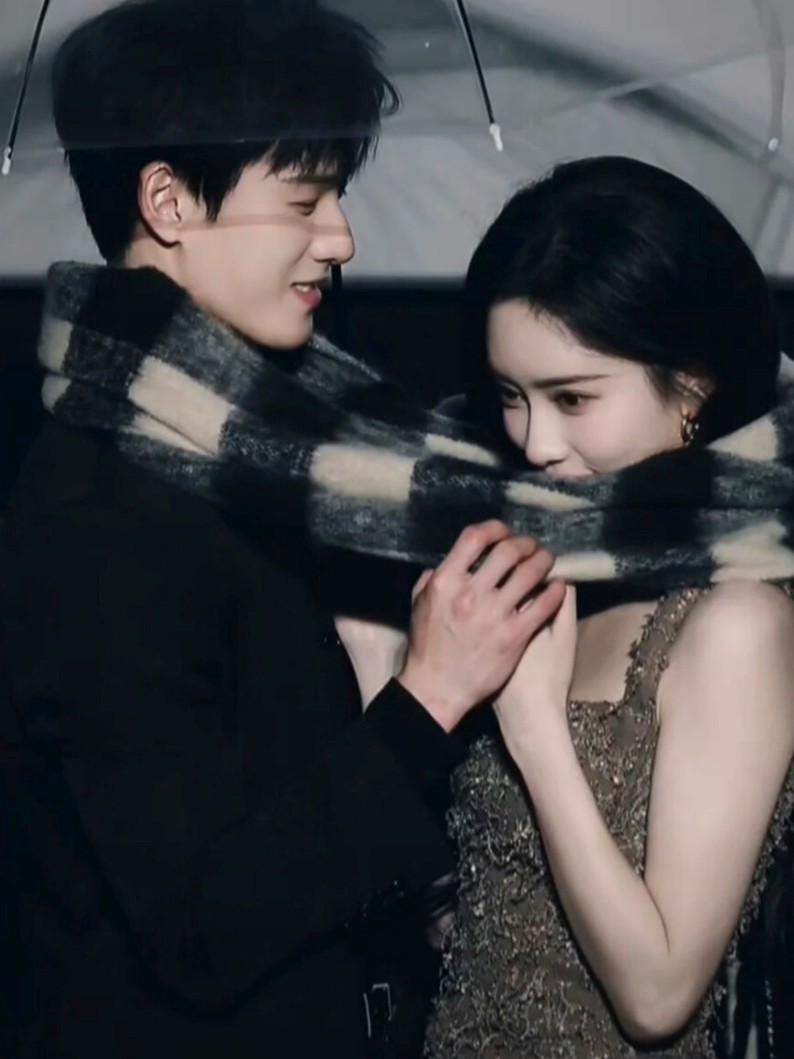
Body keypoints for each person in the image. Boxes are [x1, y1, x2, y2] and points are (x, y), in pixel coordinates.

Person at [0, 2, 565, 1057]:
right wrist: (428, 698)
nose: (341, 238)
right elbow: (202, 929)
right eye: (305, 199)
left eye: (337, 196)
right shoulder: (100, 517)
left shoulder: (274, 459)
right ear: (167, 200)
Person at [414, 157, 794, 1058]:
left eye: (573, 397)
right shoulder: (547, 569)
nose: (536, 442)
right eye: (510, 396)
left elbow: (659, 996)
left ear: (691, 387)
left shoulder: (738, 621)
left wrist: (535, 728)